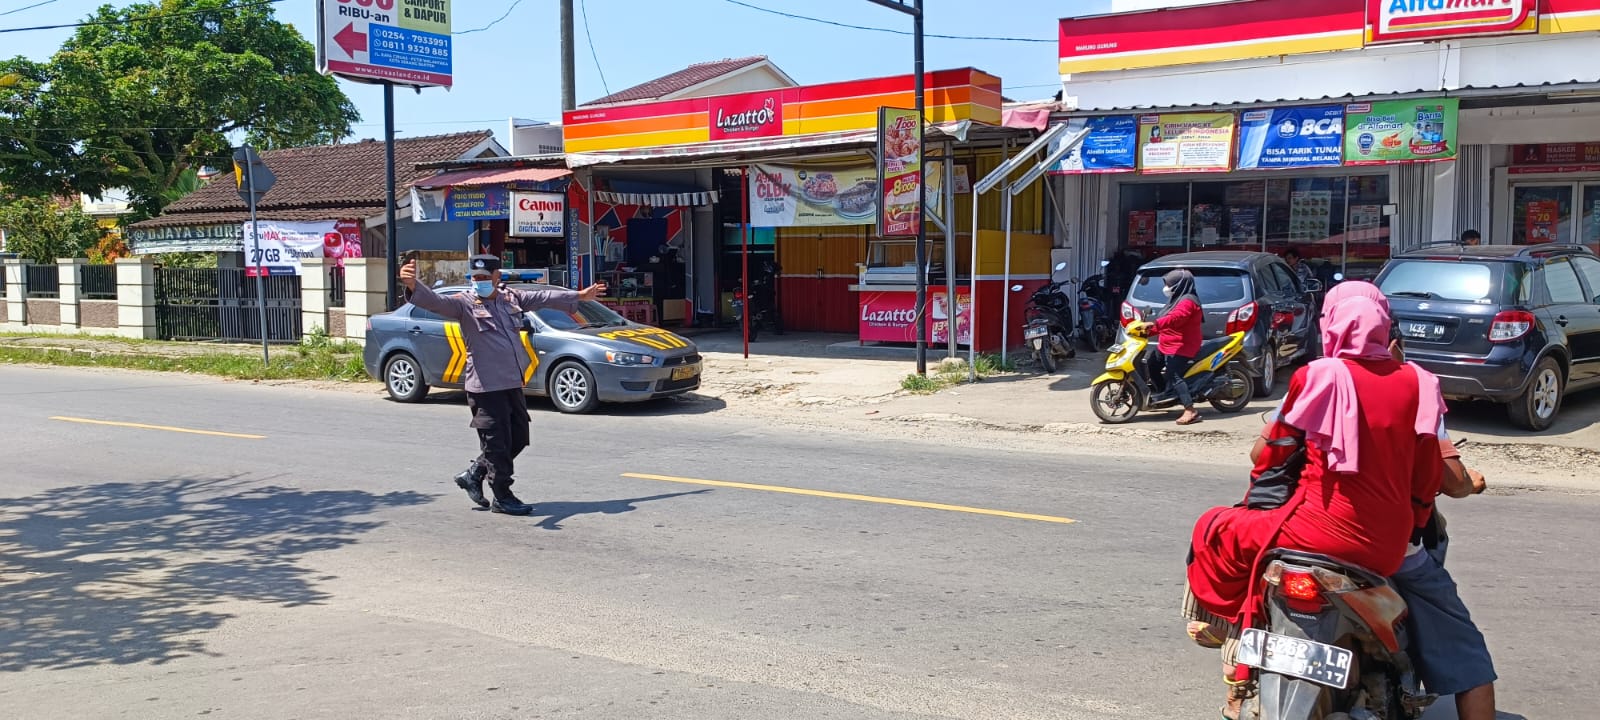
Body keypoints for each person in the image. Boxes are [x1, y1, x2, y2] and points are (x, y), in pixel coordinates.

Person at [1182, 280, 1445, 719]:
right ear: (1385, 325)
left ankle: (1217, 627)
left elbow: (1272, 455)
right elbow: (1426, 482)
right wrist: (1410, 528)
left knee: (1214, 526)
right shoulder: (1420, 382)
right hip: (1387, 544)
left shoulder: (1319, 375)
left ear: (1331, 324)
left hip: (1312, 532)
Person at [400, 255, 606, 516]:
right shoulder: (464, 305)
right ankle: (502, 496)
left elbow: (543, 298)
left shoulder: (511, 299)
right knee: (497, 444)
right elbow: (436, 302)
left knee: (518, 438)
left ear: (498, 277)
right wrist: (412, 285)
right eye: (475, 278)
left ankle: (474, 473)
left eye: (485, 278)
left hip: (511, 383)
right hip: (485, 387)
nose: (480, 283)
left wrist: (580, 296)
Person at [1143, 270, 1204, 425]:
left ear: (1179, 284)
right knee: (1151, 362)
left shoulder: (1188, 301)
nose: (1166, 287)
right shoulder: (1176, 298)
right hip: (1167, 343)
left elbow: (1175, 318)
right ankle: (1166, 394)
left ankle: (1190, 410)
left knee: (1173, 374)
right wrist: (1145, 332)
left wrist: (1155, 324)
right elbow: (1166, 321)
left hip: (1183, 345)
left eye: (1169, 284)